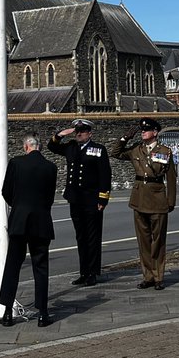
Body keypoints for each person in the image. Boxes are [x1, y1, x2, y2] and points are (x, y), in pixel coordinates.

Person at [0, 135, 58, 327]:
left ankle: (7, 312)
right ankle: (43, 313)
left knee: (13, 265)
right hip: (41, 221)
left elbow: (6, 191)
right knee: (41, 267)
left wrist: (19, 206)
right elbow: (50, 196)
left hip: (19, 221)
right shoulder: (51, 167)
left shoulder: (16, 163)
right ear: (38, 147)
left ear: (26, 147)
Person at [111, 117, 177, 290]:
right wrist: (125, 138)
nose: (143, 132)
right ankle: (148, 276)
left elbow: (170, 178)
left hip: (157, 198)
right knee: (143, 241)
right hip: (139, 199)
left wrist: (170, 201)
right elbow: (115, 153)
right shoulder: (136, 150)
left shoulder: (165, 151)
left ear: (155, 132)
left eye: (146, 130)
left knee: (158, 240)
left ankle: (158, 276)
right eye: (141, 130)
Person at [47, 118, 111, 286]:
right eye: (77, 131)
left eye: (82, 131)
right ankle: (83, 272)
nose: (79, 134)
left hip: (92, 199)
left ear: (90, 133)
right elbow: (51, 147)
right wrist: (60, 135)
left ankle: (92, 273)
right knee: (80, 237)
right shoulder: (71, 147)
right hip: (75, 199)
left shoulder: (98, 149)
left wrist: (102, 199)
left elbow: (105, 175)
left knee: (92, 237)